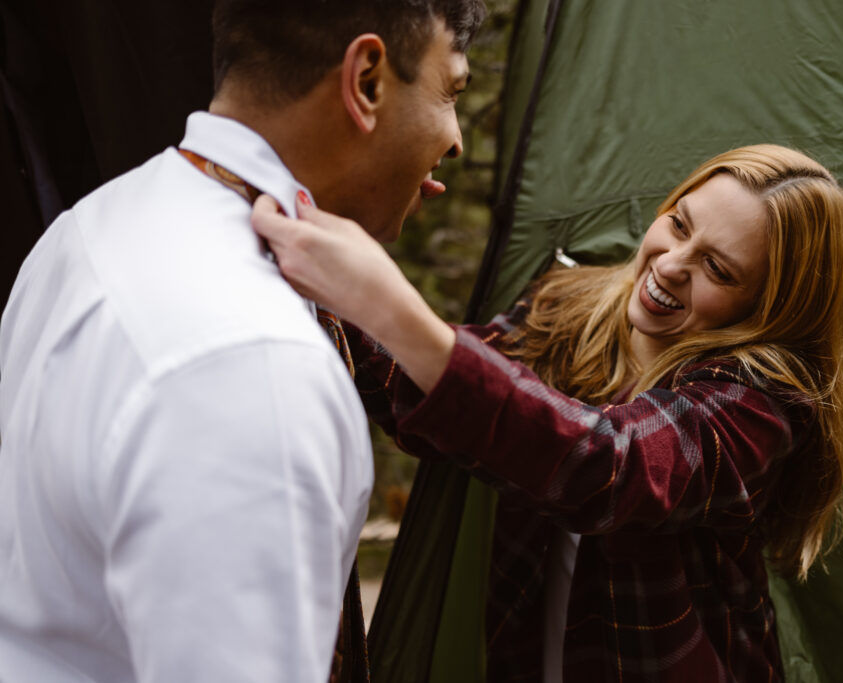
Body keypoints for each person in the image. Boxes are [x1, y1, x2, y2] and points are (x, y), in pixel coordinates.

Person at [0, 1, 486, 681]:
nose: (457, 138)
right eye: (451, 90)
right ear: (367, 80)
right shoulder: (255, 365)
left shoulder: (82, 231)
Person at [251, 143, 843, 682]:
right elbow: (434, 391)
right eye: (679, 224)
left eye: (719, 269)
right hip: (532, 657)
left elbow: (608, 468)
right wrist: (324, 273)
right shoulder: (569, 306)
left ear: (767, 307)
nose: (672, 264)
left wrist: (386, 302)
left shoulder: (762, 404)